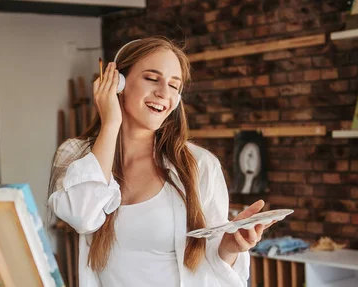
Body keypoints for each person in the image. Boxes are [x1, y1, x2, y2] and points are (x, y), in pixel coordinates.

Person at [47, 36, 273, 287]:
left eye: (174, 86)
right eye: (152, 78)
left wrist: (230, 248)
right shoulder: (74, 154)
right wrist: (110, 123)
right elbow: (82, 216)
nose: (164, 93)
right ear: (117, 84)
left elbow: (214, 265)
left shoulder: (200, 165)